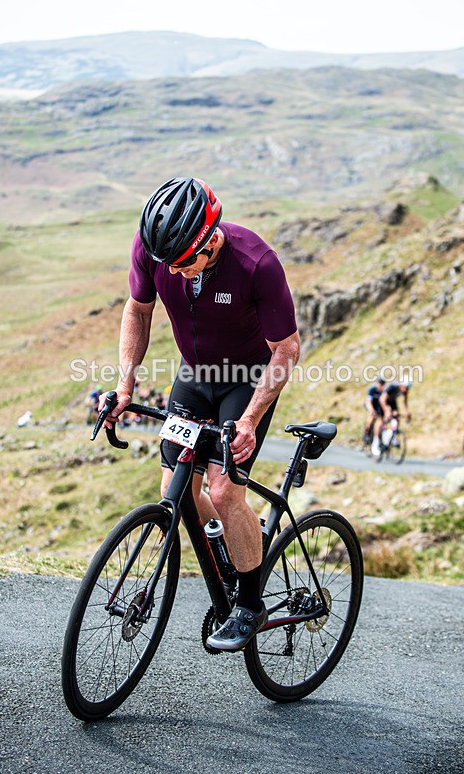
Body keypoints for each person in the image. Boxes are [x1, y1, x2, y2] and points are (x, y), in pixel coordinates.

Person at [99, 176, 300, 651]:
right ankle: (227, 549)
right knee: (175, 485)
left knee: (225, 489)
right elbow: (138, 310)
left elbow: (286, 350)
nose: (175, 271)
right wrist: (126, 383)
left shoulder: (257, 263)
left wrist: (249, 419)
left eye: (184, 263)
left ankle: (250, 604)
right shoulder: (157, 248)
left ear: (210, 239)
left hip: (247, 379)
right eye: (168, 263)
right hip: (196, 374)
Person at [372, 377, 412, 457]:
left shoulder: (405, 390)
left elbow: (405, 402)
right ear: (401, 385)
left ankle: (392, 436)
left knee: (397, 417)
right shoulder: (393, 386)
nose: (406, 390)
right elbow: (382, 399)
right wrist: (386, 409)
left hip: (391, 401)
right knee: (380, 421)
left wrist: (407, 412)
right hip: (381, 401)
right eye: (405, 388)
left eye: (407, 389)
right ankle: (375, 442)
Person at [363, 377, 385, 449]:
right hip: (370, 405)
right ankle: (367, 432)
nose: (381, 386)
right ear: (377, 384)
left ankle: (377, 438)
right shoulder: (372, 389)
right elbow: (368, 401)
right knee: (372, 416)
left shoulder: (383, 391)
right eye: (380, 384)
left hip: (378, 406)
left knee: (380, 420)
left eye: (382, 384)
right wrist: (371, 410)